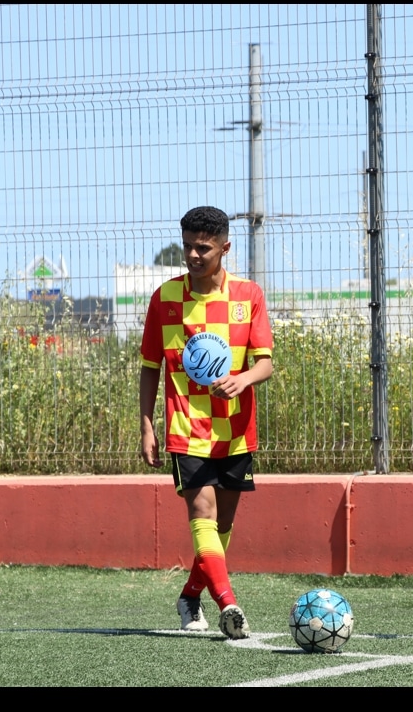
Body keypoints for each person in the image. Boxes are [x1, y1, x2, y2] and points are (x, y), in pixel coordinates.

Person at [139, 206, 274, 639]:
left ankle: (190, 594)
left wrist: (242, 380)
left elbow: (265, 363)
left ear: (224, 248)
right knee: (202, 514)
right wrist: (146, 426)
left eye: (204, 247)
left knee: (221, 528)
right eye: (188, 247)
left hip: (235, 431)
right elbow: (149, 366)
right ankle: (229, 603)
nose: (194, 255)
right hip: (185, 429)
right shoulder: (165, 299)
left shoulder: (248, 295)